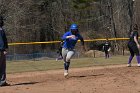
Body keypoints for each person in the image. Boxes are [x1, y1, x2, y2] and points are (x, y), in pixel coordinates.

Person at [0, 16, 9, 86]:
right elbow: (1, 41)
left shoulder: (1, 29)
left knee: (3, 66)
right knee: (1, 66)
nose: (2, 21)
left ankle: (3, 81)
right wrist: (3, 49)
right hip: (1, 50)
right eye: (1, 20)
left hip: (2, 50)